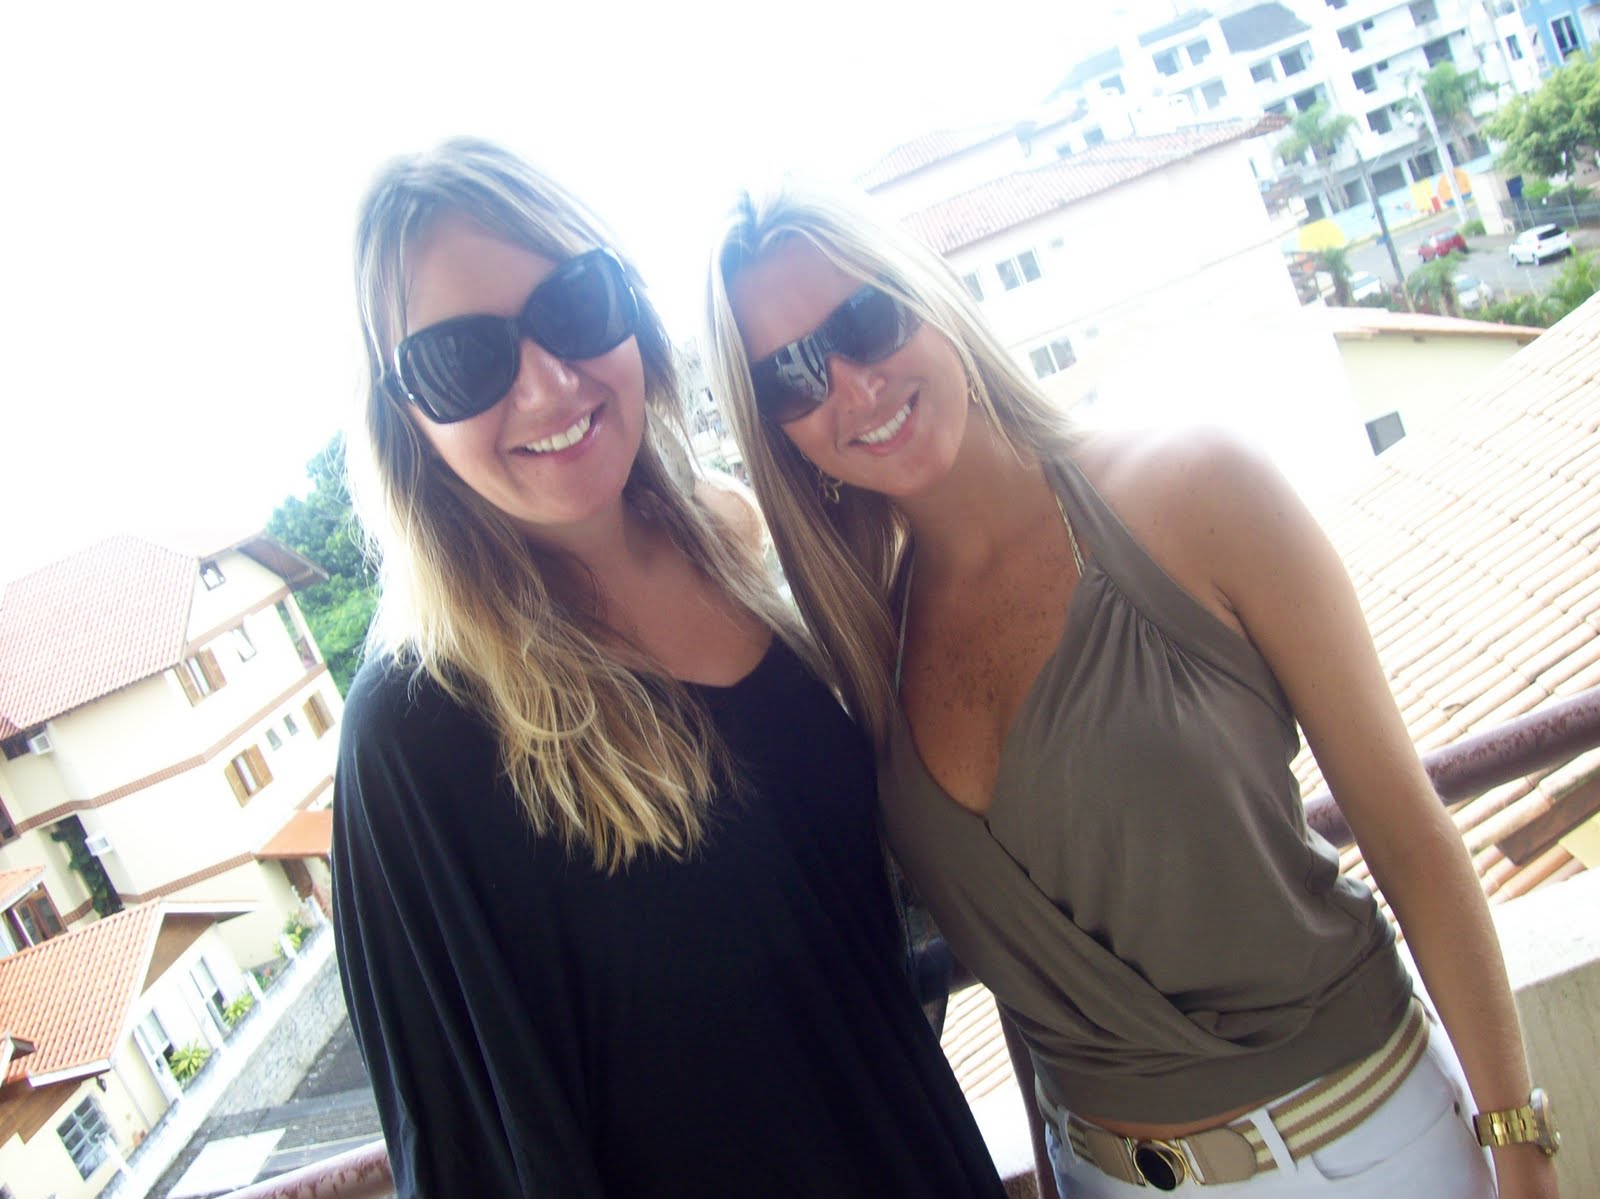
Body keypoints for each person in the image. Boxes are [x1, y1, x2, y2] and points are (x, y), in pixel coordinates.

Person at [701, 179, 1561, 1198]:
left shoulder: (1194, 487)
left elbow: (1408, 833)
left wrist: (1519, 1144)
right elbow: (1027, 993)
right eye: (793, 375)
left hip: (1359, 1148)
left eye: (865, 320)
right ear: (780, 432)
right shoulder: (866, 655)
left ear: (930, 295)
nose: (852, 384)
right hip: (1099, 1174)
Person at [331, 139, 1007, 1199]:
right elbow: (469, 1153)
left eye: (573, 305)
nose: (547, 383)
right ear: (404, 414)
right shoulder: (421, 729)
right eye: (462, 359)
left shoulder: (730, 542)